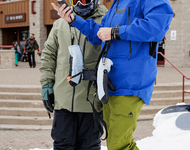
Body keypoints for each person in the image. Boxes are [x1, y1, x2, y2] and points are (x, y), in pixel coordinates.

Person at [52, 0, 174, 150]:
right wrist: (74, 20)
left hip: (130, 84)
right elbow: (99, 33)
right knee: (114, 144)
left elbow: (157, 27)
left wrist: (115, 32)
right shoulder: (116, 5)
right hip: (110, 84)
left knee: (120, 145)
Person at [40, 1, 107, 149]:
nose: (79, 4)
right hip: (64, 100)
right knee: (62, 145)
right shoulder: (59, 24)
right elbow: (49, 55)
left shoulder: (106, 21)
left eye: (84, 0)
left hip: (91, 102)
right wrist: (46, 84)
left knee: (89, 146)